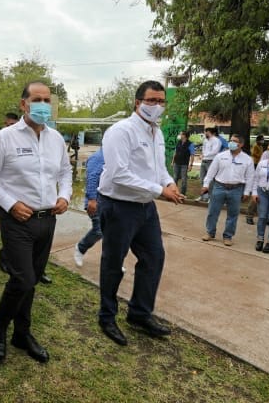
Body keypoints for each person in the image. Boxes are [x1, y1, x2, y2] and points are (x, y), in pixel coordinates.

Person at [0, 81, 72, 364]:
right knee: (23, 278)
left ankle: (22, 333)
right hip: (18, 220)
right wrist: (10, 204)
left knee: (31, 281)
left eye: (47, 100)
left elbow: (66, 172)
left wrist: (65, 195)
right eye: (37, 99)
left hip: (47, 220)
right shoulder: (5, 137)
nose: (43, 105)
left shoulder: (55, 139)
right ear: (24, 104)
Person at [96, 80, 184, 347]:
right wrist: (160, 190)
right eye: (151, 101)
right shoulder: (120, 131)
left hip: (146, 207)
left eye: (161, 101)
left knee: (154, 257)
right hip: (119, 205)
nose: (157, 106)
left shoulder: (155, 132)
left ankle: (139, 313)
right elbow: (118, 174)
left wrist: (168, 182)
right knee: (113, 262)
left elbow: (159, 167)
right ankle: (107, 316)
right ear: (138, 102)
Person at [201, 134, 255, 246]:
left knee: (233, 214)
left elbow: (250, 177)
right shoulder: (220, 156)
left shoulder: (247, 159)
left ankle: (228, 236)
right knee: (212, 212)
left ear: (241, 144)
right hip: (219, 187)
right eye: (230, 140)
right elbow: (211, 172)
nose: (231, 143)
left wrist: (246, 192)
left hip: (236, 189)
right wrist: (206, 184)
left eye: (235, 141)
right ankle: (210, 233)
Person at [74, 147, 104, 267]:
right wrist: (92, 199)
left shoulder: (115, 155)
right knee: (98, 231)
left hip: (110, 201)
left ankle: (113, 261)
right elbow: (92, 178)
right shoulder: (98, 157)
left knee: (113, 232)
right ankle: (80, 248)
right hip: (96, 201)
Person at [246, 134, 266, 224]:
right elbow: (254, 154)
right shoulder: (256, 146)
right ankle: (250, 215)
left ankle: (266, 218)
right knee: (256, 196)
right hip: (256, 164)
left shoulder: (261, 147)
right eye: (261, 140)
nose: (262, 141)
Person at [198, 127, 221, 202]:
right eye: (205, 132)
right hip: (204, 161)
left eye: (206, 132)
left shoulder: (216, 140)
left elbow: (215, 151)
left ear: (211, 133)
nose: (205, 133)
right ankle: (204, 196)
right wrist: (203, 155)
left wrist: (205, 155)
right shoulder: (205, 140)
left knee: (210, 180)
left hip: (211, 161)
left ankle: (211, 197)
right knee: (202, 179)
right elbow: (203, 149)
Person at [171, 131, 194, 196]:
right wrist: (172, 161)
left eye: (181, 134)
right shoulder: (179, 142)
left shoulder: (190, 144)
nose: (179, 135)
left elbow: (192, 155)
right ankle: (174, 192)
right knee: (175, 178)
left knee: (184, 179)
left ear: (184, 135)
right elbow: (175, 152)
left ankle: (182, 193)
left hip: (184, 164)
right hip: (176, 163)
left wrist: (191, 165)